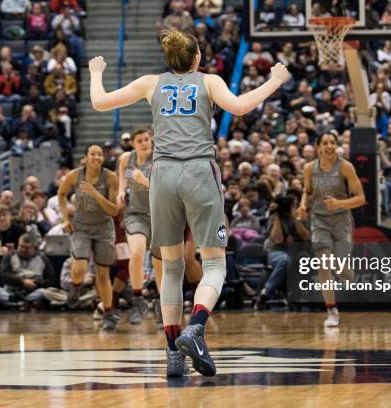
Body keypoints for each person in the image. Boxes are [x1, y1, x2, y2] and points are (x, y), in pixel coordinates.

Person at [89, 28, 289, 377]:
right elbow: (240, 107)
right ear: (196, 58)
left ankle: (173, 355)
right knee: (214, 265)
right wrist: (275, 79)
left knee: (170, 267)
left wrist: (95, 73)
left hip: (162, 175)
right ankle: (195, 328)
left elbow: (99, 102)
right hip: (198, 171)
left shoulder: (151, 83)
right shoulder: (208, 81)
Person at [298, 132, 366, 327]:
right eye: (325, 143)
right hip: (319, 220)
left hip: (342, 220)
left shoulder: (345, 167)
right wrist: (303, 206)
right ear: (318, 146)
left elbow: (360, 198)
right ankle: (331, 310)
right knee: (324, 264)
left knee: (340, 269)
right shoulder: (310, 168)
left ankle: (354, 279)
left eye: (332, 143)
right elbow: (307, 191)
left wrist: (339, 203)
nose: (329, 146)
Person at [58, 144, 119, 329]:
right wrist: (64, 218)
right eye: (93, 154)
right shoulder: (75, 175)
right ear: (86, 157)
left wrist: (95, 193)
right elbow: (61, 194)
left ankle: (108, 313)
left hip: (103, 228)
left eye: (100, 154)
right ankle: (75, 287)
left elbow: (114, 211)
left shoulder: (110, 177)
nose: (97, 157)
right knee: (79, 269)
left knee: (103, 275)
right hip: (82, 227)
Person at [116, 128, 162, 325]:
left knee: (160, 266)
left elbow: (166, 188)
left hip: (159, 214)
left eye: (147, 139)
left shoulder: (159, 159)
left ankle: (162, 306)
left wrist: (147, 182)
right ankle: (137, 299)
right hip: (135, 214)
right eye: (140, 140)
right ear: (133, 144)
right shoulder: (126, 158)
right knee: (136, 252)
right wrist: (120, 192)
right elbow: (121, 178)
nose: (145, 143)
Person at [0, 234, 57, 309]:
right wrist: (22, 281)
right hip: (11, 291)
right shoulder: (9, 256)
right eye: (21, 246)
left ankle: (13, 304)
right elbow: (4, 275)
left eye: (27, 248)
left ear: (33, 248)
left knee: (44, 293)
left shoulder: (42, 258)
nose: (23, 250)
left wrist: (35, 282)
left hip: (32, 291)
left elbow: (51, 280)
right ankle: (20, 303)